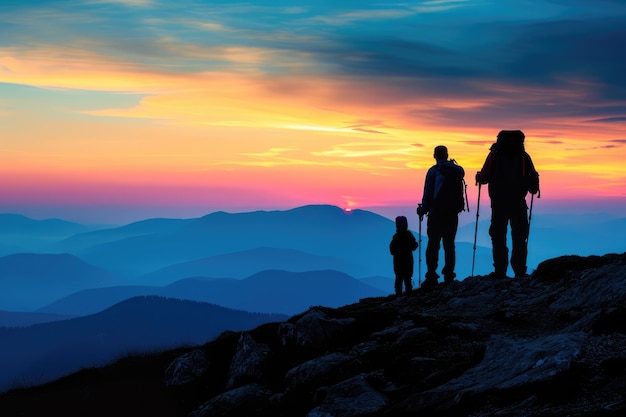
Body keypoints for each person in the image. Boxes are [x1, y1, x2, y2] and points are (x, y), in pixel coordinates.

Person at [476, 130, 539, 278]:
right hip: (519, 203)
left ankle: (500, 271)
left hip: (499, 203)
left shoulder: (495, 155)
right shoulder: (523, 157)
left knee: (498, 237)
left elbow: (484, 178)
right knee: (519, 237)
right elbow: (533, 188)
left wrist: (479, 177)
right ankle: (520, 271)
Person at [416, 145, 465, 289]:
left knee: (433, 244)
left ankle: (431, 275)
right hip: (452, 213)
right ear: (447, 154)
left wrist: (423, 209)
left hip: (436, 213)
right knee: (449, 245)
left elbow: (428, 192)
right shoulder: (456, 171)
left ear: (435, 156)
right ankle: (449, 275)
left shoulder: (433, 171)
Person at [389, 215, 419, 295]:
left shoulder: (396, 237)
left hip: (398, 261)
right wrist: (416, 244)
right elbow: (414, 246)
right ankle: (408, 292)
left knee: (399, 278)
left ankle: (398, 293)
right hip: (408, 260)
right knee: (407, 278)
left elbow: (392, 250)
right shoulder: (409, 235)